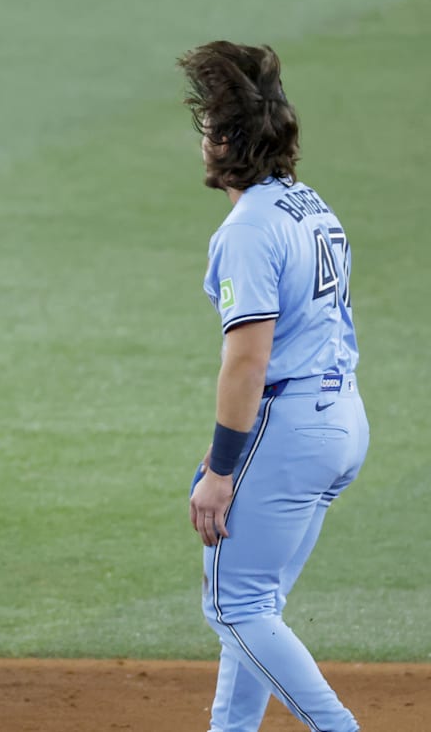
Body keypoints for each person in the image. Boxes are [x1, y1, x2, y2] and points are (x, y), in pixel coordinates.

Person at [181, 42, 368, 732]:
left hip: (291, 427)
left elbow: (246, 363)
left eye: (208, 128)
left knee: (234, 607)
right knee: (254, 602)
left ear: (227, 143)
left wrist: (222, 470)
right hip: (341, 418)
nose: (202, 140)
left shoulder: (249, 229)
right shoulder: (310, 206)